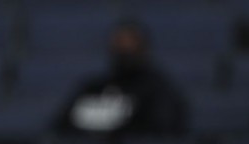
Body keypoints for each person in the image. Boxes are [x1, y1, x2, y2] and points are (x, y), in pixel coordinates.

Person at [54, 20, 187, 135]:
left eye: (130, 44)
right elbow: (59, 127)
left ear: (143, 48)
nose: (124, 49)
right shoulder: (93, 88)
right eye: (119, 43)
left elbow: (162, 134)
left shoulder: (158, 91)